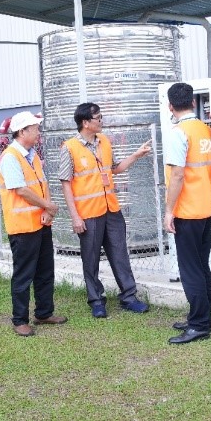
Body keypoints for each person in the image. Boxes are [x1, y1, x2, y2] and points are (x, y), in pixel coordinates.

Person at [58, 102, 153, 318]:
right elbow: (65, 183)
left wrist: (136, 155)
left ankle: (129, 297)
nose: (101, 121)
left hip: (111, 209)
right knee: (90, 259)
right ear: (85, 122)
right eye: (98, 118)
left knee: (120, 254)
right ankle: (96, 301)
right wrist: (75, 217)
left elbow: (115, 169)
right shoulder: (69, 148)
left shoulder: (105, 141)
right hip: (88, 213)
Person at [0, 110, 67, 337]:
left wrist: (47, 211)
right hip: (22, 227)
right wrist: (48, 206)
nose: (39, 132)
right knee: (24, 274)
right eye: (35, 128)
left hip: (41, 223)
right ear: (22, 131)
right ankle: (20, 320)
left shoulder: (32, 155)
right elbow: (20, 190)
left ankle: (44, 313)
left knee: (45, 271)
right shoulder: (10, 157)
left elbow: (42, 185)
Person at [163, 82, 211, 344]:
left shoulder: (178, 133)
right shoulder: (204, 129)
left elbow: (177, 175)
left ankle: (199, 324)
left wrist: (169, 211)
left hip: (186, 210)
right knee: (201, 265)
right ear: (193, 103)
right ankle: (203, 315)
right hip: (205, 206)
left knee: (190, 269)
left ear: (170, 106)